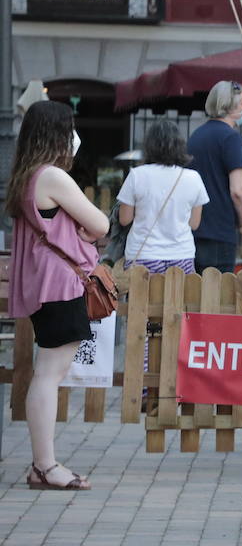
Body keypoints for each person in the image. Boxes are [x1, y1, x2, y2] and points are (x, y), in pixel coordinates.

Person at [8, 101, 109, 491]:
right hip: (61, 283)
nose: (74, 137)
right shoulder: (52, 176)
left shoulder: (26, 175)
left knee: (47, 371)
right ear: (56, 133)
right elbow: (99, 222)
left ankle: (43, 463)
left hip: (44, 282)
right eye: (70, 128)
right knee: (50, 374)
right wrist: (86, 228)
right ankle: (45, 465)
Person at [117, 120, 210, 276]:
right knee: (179, 300)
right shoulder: (193, 178)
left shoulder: (137, 175)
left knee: (140, 301)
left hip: (143, 256)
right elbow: (194, 224)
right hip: (182, 255)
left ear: (149, 146)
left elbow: (124, 219)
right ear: (180, 145)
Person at [187, 80, 242, 273]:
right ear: (229, 107)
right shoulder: (231, 137)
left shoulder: (196, 136)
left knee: (194, 298)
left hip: (194, 230)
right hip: (221, 231)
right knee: (218, 299)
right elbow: (238, 190)